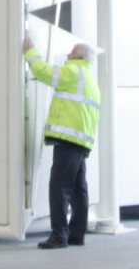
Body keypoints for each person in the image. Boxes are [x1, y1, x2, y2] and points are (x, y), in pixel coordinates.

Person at [21, 35, 99, 248]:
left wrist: (30, 50)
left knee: (59, 187)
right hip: (81, 142)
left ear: (79, 57)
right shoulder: (90, 80)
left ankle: (59, 235)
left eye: (71, 51)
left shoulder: (73, 72)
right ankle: (76, 234)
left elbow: (43, 72)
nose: (68, 54)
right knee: (78, 188)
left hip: (68, 139)